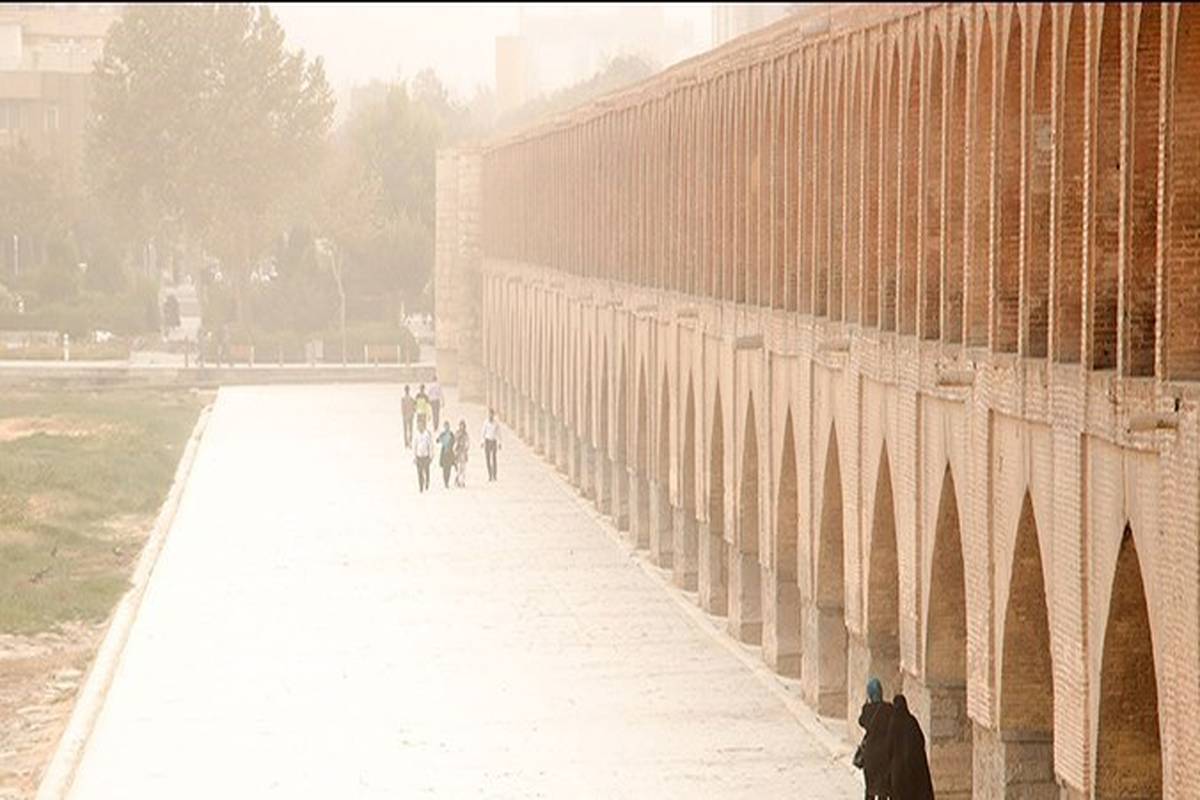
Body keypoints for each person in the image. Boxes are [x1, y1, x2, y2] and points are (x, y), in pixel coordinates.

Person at [887, 694, 935, 800]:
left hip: (898, 771)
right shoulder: (911, 721)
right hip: (913, 769)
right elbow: (921, 741)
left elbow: (889, 747)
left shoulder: (892, 722)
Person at [856, 677, 894, 800]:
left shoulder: (867, 709)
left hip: (870, 753)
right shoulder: (888, 708)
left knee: (870, 787)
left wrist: (867, 704)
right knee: (883, 788)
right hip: (884, 753)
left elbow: (861, 722)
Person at [481, 408, 501, 482]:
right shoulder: (486, 422)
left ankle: (494, 475)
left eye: (492, 414)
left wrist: (500, 442)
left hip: (493, 441)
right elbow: (483, 432)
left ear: (493, 415)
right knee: (488, 458)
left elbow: (499, 433)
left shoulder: (496, 423)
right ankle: (489, 475)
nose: (490, 416)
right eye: (489, 414)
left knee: (494, 458)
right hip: (487, 441)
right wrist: (482, 441)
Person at [413, 419, 433, 493]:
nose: (420, 427)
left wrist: (431, 455)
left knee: (426, 471)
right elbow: (414, 446)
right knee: (419, 472)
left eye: (421, 425)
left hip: (426, 456)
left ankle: (427, 482)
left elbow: (430, 445)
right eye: (418, 425)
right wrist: (414, 456)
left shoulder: (427, 434)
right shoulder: (416, 435)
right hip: (419, 456)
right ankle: (421, 486)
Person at [436, 421, 456, 489]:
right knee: (445, 468)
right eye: (445, 426)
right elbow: (437, 440)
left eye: (447, 426)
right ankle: (445, 481)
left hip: (449, 452)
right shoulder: (443, 434)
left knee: (449, 468)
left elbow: (454, 441)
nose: (446, 427)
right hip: (444, 452)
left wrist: (450, 444)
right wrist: (440, 439)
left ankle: (447, 481)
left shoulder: (451, 434)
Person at [454, 419, 470, 487]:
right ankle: (457, 478)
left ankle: (462, 481)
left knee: (463, 468)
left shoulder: (466, 434)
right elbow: (454, 442)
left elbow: (467, 442)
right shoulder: (457, 433)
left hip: (463, 452)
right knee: (458, 468)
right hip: (458, 452)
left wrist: (466, 448)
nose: (462, 427)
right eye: (461, 425)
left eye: (463, 426)